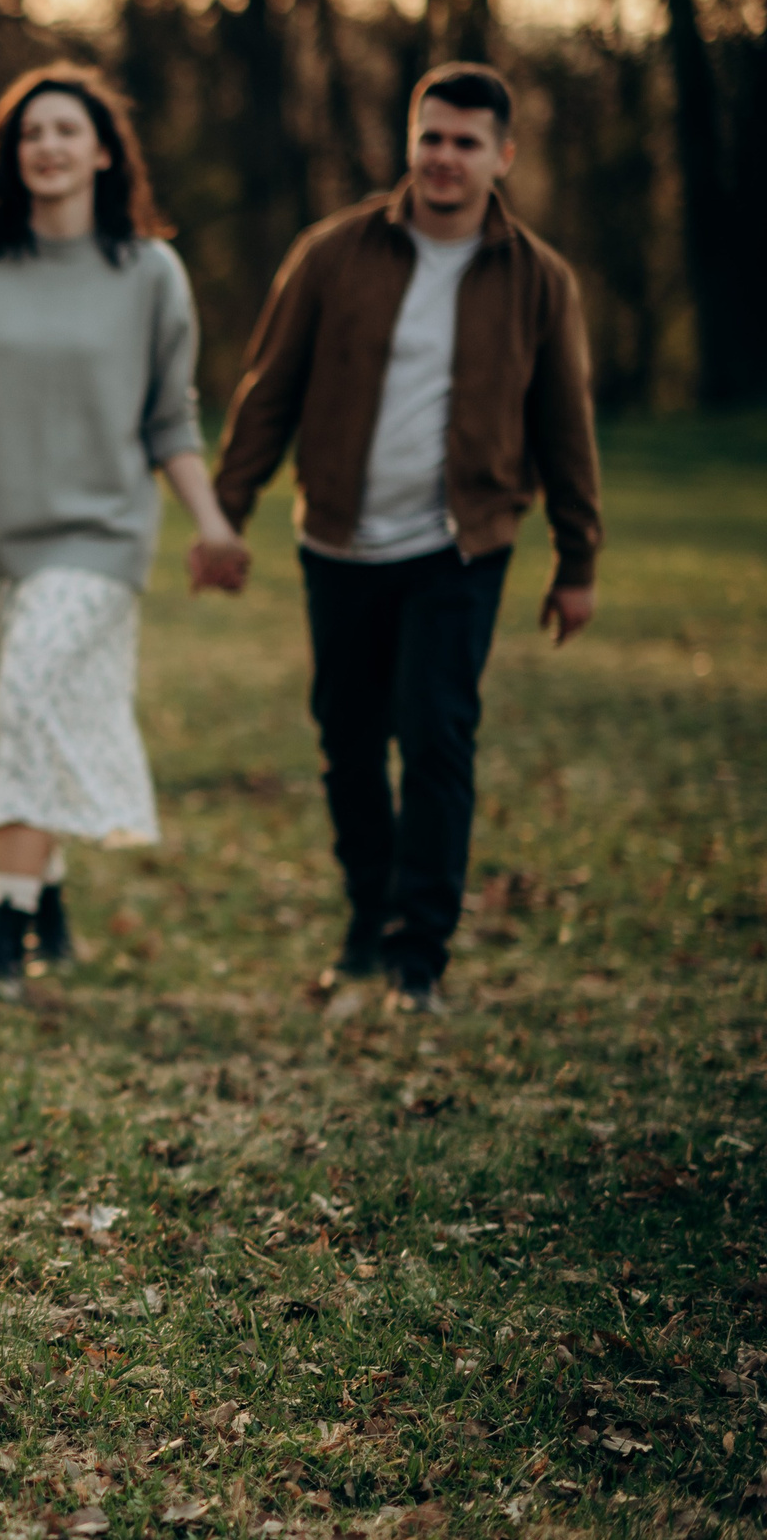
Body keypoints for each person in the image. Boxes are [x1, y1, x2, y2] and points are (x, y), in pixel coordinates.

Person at [211, 62, 601, 1015]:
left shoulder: (538, 281)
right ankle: (366, 915)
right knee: (348, 741)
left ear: (503, 157)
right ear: (410, 143)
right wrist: (227, 511)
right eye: (432, 137)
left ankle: (419, 951)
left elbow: (564, 424)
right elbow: (271, 390)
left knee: (435, 736)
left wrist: (576, 558)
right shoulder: (333, 254)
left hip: (460, 546)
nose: (445, 158)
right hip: (338, 540)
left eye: (468, 143)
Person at [0, 63, 250, 1004]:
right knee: (23, 720)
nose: (48, 147)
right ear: (11, 156)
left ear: (104, 150)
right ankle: (51, 902)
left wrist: (213, 526)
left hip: (96, 541)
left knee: (30, 701)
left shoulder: (149, 273)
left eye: (67, 130)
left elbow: (169, 419)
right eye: (30, 134)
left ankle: (6, 937)